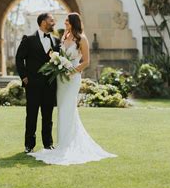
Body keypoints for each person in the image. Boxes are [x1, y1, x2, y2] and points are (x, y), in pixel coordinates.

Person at [28, 12, 117, 165]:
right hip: (61, 79)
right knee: (62, 109)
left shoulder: (82, 39)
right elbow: (59, 55)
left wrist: (72, 71)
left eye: (67, 21)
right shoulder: (64, 37)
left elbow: (86, 61)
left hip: (72, 77)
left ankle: (68, 144)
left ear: (74, 22)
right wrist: (57, 62)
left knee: (69, 108)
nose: (65, 23)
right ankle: (62, 143)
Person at [15, 13, 60, 153]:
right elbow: (19, 58)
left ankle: (48, 143)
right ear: (43, 22)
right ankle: (29, 144)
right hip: (33, 84)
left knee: (48, 116)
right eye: (51, 20)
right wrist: (24, 77)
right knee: (32, 115)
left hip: (50, 84)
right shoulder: (28, 39)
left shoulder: (56, 41)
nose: (53, 22)